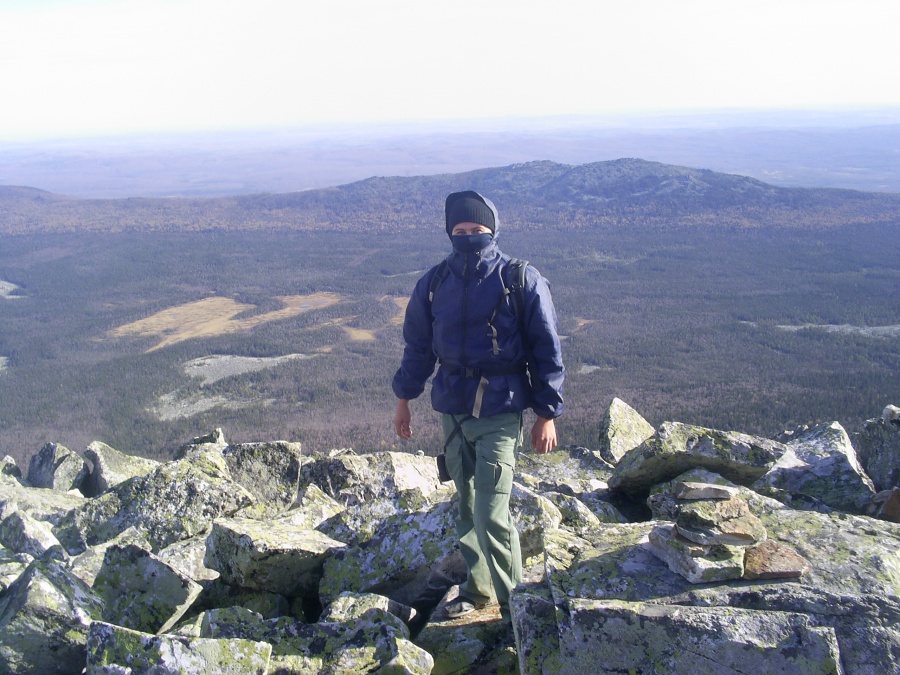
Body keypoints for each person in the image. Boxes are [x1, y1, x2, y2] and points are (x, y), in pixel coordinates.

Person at [392, 190, 565, 623]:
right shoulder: (434, 284)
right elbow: (417, 349)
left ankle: (515, 607)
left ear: (493, 230)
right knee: (465, 506)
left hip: (500, 412)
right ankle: (477, 588)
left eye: (477, 229)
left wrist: (546, 413)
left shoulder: (519, 279)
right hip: (452, 410)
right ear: (450, 232)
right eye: (460, 230)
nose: (469, 236)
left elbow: (547, 349)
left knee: (491, 512)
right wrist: (403, 401)